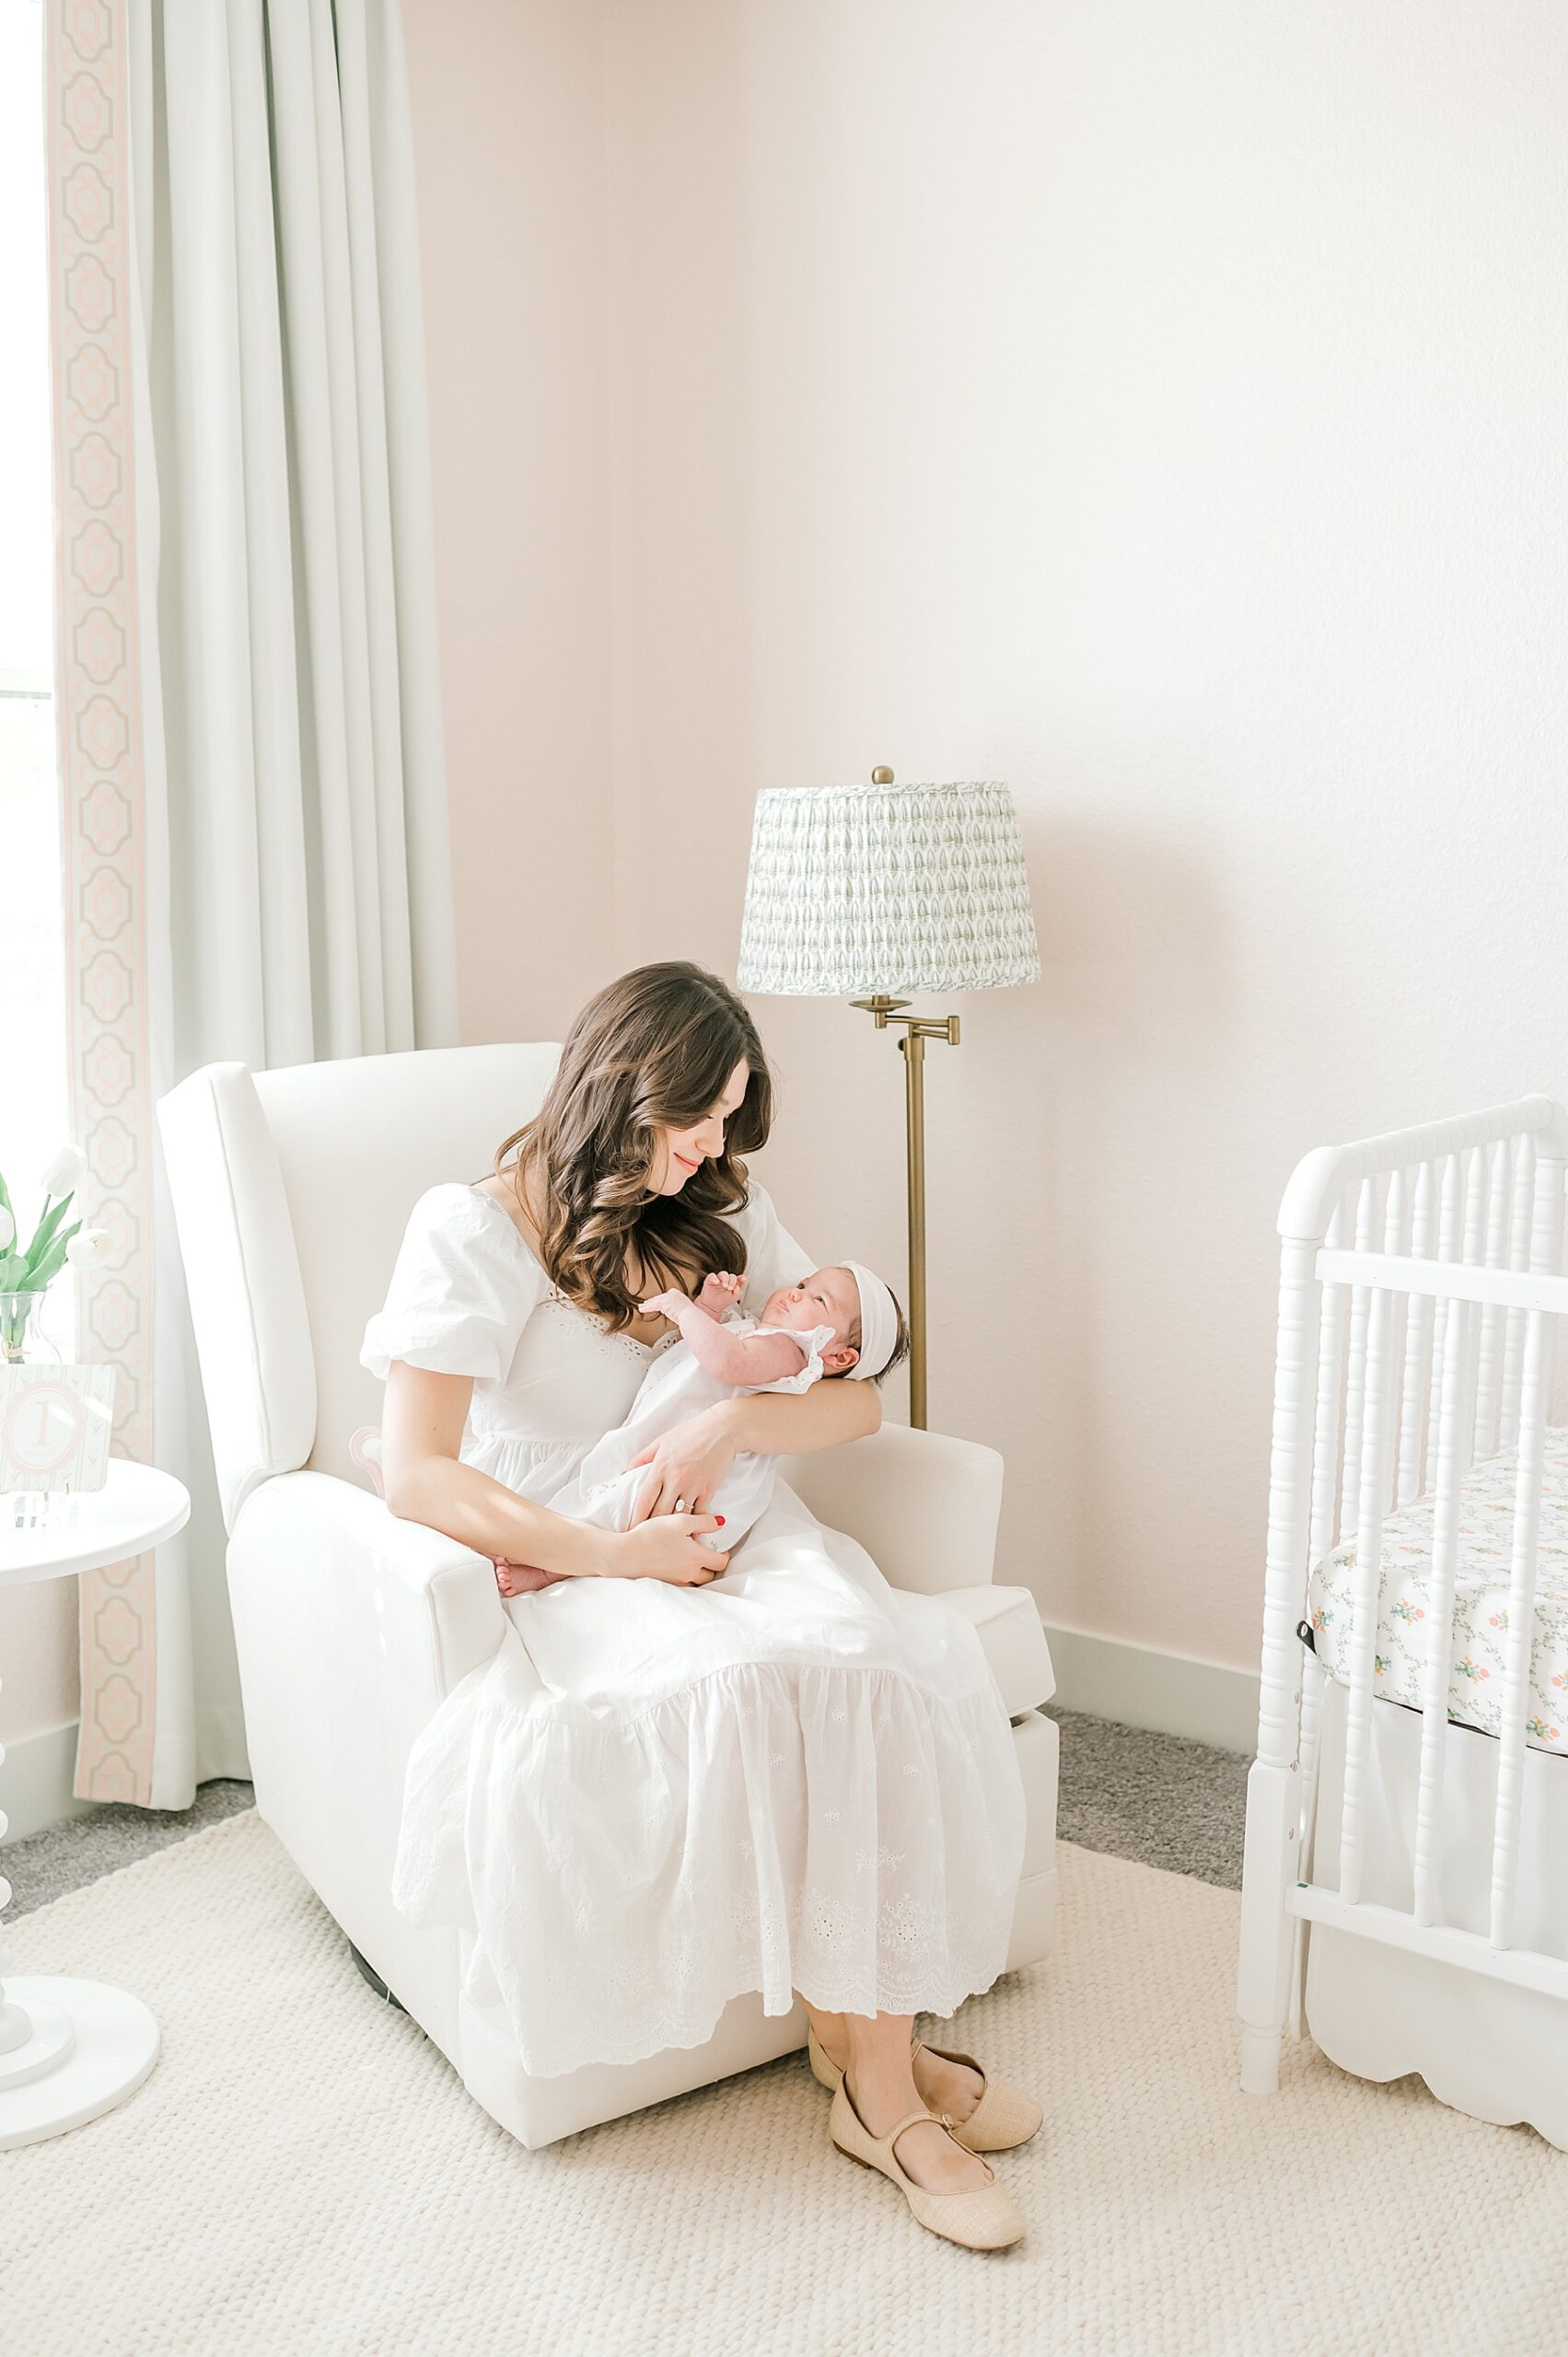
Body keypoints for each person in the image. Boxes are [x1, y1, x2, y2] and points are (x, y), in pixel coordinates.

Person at [362, 961, 1039, 2249]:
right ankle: (883, 2092)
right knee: (729, 1688)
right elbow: (415, 1471)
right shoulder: (468, 1231)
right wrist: (615, 1558)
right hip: (579, 1554)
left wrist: (732, 1416)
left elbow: (852, 1399)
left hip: (742, 1525)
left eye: (728, 1118)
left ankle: (865, 2060)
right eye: (696, 1118)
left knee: (863, 1666)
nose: (712, 1147)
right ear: (623, 1091)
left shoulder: (722, 1207)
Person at [490, 1257, 904, 1594]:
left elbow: (728, 1361)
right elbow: (703, 1353)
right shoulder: (762, 1336)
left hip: (701, 1483)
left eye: (819, 1299)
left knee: (621, 1508)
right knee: (601, 1495)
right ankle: (551, 1553)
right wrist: (709, 1310)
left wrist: (684, 1309)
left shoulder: (791, 1352)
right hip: (669, 1453)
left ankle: (548, 1569)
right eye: (803, 1282)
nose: (797, 1292)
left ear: (840, 1358)